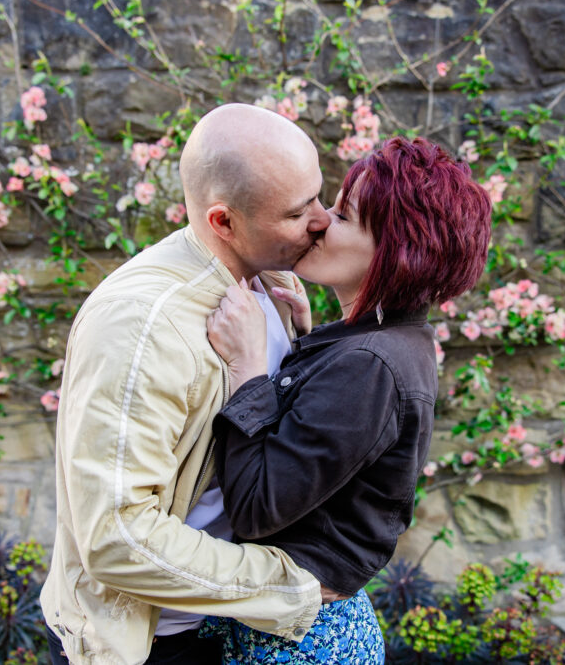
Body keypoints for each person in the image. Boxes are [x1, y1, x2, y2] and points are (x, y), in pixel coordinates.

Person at [40, 103, 343, 665]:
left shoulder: (266, 278)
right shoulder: (140, 325)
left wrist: (303, 342)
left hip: (220, 628)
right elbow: (118, 536)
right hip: (153, 645)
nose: (322, 220)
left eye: (320, 198)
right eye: (298, 212)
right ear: (223, 221)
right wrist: (285, 587)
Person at [202, 136, 493, 662]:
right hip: (299, 623)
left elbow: (255, 506)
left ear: (396, 253)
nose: (318, 222)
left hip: (297, 642)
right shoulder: (384, 342)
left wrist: (248, 369)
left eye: (342, 215)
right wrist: (304, 343)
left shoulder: (371, 364)